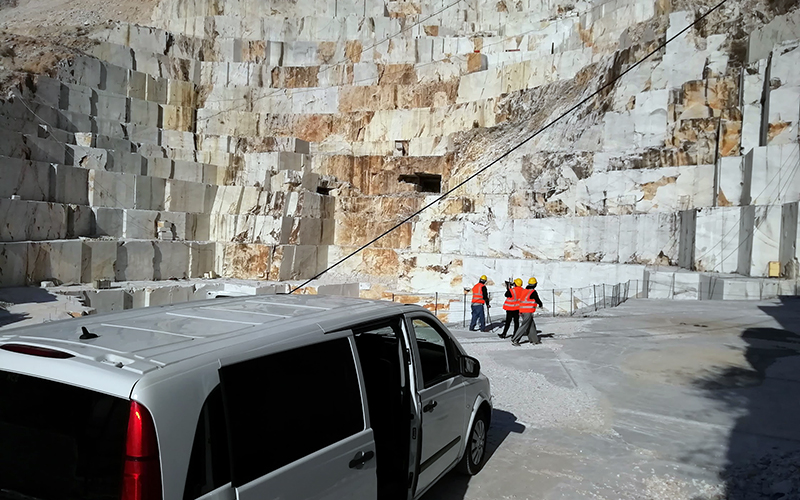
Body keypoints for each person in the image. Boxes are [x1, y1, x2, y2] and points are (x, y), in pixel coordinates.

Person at [512, 277, 543, 346]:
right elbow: (537, 300)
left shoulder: (525, 290)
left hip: (522, 310)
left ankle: (534, 340)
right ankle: (515, 339)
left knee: (531, 325)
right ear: (535, 284)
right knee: (524, 325)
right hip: (527, 311)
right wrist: (540, 304)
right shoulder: (533, 292)